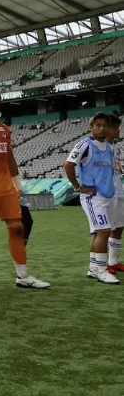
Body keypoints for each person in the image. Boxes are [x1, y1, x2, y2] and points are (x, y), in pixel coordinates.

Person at [0, 87, 50, 290]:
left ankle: (23, 276)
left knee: (17, 228)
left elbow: (10, 159)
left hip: (7, 189)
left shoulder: (4, 129)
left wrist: (17, 186)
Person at [64, 113, 119, 284]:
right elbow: (68, 165)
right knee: (104, 231)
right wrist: (77, 186)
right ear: (91, 127)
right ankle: (102, 271)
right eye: (97, 125)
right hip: (93, 197)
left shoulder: (109, 147)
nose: (101, 128)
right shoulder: (84, 145)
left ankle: (93, 268)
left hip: (107, 195)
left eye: (104, 125)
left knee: (97, 232)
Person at [104, 115, 124, 275]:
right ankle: (99, 264)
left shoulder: (115, 147)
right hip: (106, 192)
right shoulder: (99, 147)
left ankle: (113, 261)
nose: (118, 130)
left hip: (119, 190)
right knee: (105, 228)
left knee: (119, 226)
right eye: (115, 127)